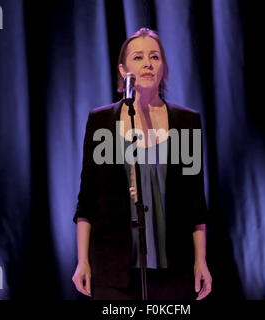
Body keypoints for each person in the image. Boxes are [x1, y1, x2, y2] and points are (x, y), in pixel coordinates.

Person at [72, 28, 212, 300]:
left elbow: (196, 202)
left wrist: (200, 261)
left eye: (155, 56)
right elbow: (87, 199)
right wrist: (83, 261)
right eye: (138, 57)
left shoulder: (186, 121)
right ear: (123, 69)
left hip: (173, 267)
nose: (148, 63)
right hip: (114, 268)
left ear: (163, 68)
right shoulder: (101, 121)